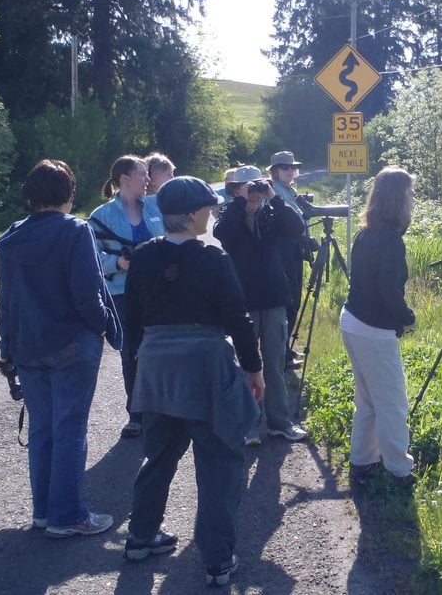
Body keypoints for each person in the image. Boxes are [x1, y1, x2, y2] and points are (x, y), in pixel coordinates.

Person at [122, 176, 265, 587]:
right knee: (219, 463)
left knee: (158, 455)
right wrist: (254, 369)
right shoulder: (213, 259)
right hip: (203, 365)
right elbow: (237, 318)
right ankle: (218, 560)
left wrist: (136, 380)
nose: (212, 213)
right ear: (190, 215)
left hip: (156, 366)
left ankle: (140, 536)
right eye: (207, 209)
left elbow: (131, 322)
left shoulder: (144, 256)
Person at [0, 159, 121, 538]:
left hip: (28, 346)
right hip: (71, 343)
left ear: (30, 196)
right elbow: (87, 293)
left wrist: (8, 349)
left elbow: (7, 301)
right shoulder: (75, 231)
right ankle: (68, 516)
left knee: (44, 430)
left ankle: (44, 513)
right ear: (68, 193)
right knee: (70, 429)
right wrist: (104, 326)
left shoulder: (13, 236)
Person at [214, 165, 309, 446]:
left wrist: (274, 197)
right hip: (242, 298)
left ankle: (280, 423)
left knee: (275, 364)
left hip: (273, 297)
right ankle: (248, 425)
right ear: (234, 190)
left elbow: (297, 227)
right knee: (246, 364)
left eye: (257, 186)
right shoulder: (228, 215)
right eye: (247, 187)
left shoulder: (272, 213)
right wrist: (241, 203)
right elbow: (223, 235)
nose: (254, 192)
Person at [340, 167, 417, 487]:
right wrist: (408, 318)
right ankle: (399, 470)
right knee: (392, 403)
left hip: (352, 321)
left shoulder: (365, 232)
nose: (413, 198)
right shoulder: (391, 240)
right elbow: (388, 292)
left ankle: (362, 461)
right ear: (398, 199)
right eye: (410, 193)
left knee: (368, 399)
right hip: (373, 329)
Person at [89, 155, 164, 439]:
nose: (148, 179)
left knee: (160, 349)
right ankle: (136, 415)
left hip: (159, 291)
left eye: (148, 174)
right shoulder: (101, 216)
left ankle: (162, 409)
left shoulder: (156, 206)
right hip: (122, 293)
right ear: (124, 179)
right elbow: (92, 257)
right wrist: (117, 263)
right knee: (131, 352)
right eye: (142, 174)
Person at [268, 150, 310, 370]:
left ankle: (285, 349)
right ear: (275, 170)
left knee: (293, 297)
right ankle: (281, 354)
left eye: (293, 167)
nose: (291, 171)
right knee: (289, 300)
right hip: (283, 250)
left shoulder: (288, 190)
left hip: (293, 249)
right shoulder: (275, 191)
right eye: (285, 167)